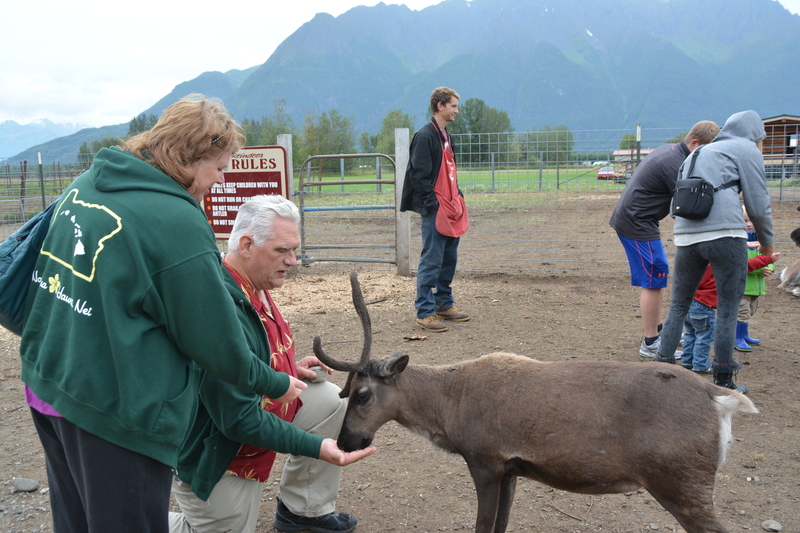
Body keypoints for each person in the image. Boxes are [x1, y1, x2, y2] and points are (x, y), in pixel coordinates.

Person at [19, 95, 312, 532]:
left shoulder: (88, 185)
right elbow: (215, 341)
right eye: (220, 165)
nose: (220, 179)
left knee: (78, 520)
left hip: (50, 384)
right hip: (115, 407)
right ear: (193, 156)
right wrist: (274, 381)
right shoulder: (175, 218)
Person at [169, 195, 373, 533]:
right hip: (219, 449)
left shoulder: (251, 279)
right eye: (283, 250)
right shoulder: (219, 305)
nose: (293, 261)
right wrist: (318, 447)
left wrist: (287, 367)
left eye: (294, 250)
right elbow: (237, 418)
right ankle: (124, 517)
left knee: (327, 401)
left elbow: (244, 360)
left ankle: (303, 513)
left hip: (249, 427)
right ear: (247, 245)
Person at [656, 110, 775, 394]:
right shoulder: (745, 148)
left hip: (685, 236)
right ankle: (723, 379)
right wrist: (767, 245)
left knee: (679, 305)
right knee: (727, 309)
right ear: (755, 134)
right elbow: (758, 204)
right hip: (725, 235)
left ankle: (661, 373)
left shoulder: (696, 153)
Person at [610, 121, 720, 358]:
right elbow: (690, 202)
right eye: (706, 152)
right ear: (694, 144)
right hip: (636, 221)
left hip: (640, 220)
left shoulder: (674, 153)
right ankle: (650, 343)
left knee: (657, 275)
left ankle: (659, 330)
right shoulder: (676, 164)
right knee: (654, 277)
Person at [400, 86, 470, 333]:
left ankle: (444, 304)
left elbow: (450, 173)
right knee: (432, 260)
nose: (456, 111)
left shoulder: (446, 136)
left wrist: (457, 197)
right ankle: (425, 312)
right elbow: (419, 175)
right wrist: (433, 204)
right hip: (436, 209)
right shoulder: (425, 136)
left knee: (448, 258)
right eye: (453, 106)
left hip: (451, 207)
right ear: (440, 106)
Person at [682, 250, 779, 373]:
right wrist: (769, 259)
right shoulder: (725, 266)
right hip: (705, 307)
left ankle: (687, 361)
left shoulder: (702, 264)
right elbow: (748, 265)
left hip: (690, 303)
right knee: (704, 337)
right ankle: (700, 365)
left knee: (691, 334)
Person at [735, 206, 777, 351]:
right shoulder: (739, 242)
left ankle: (744, 334)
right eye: (744, 220)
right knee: (742, 313)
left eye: (752, 220)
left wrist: (769, 268)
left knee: (750, 310)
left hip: (755, 287)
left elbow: (768, 259)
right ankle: (737, 338)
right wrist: (761, 268)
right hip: (743, 287)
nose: (748, 224)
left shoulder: (761, 242)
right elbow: (743, 264)